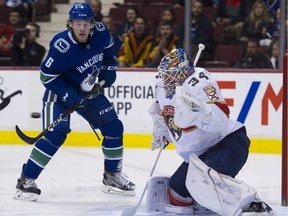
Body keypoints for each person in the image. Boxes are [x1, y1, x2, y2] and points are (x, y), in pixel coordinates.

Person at [14, 3, 135, 202]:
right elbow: (46, 75)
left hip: (88, 91)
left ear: (92, 24)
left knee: (114, 127)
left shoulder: (102, 33)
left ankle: (112, 175)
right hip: (61, 94)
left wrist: (108, 70)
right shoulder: (62, 45)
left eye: (85, 23)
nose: (81, 28)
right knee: (56, 135)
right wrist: (68, 95)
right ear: (70, 24)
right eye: (77, 23)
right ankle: (26, 179)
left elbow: (108, 54)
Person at [147, 48, 275, 215]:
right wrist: (162, 129)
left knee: (208, 182)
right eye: (164, 73)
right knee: (177, 196)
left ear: (183, 71)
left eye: (170, 74)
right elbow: (160, 108)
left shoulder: (201, 82)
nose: (165, 78)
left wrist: (199, 113)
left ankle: (254, 205)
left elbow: (221, 119)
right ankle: (208, 201)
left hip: (228, 143)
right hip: (197, 156)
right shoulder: (161, 86)